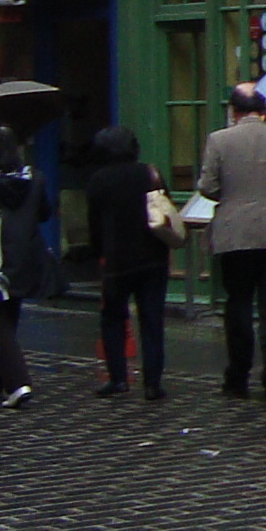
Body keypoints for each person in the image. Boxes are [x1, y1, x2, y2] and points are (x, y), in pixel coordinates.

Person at [198, 84, 266, 401]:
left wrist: (232, 197)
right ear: (264, 110)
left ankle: (238, 375)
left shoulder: (219, 140)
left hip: (235, 233)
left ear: (233, 110)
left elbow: (207, 186)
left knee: (238, 304)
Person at [0, 123, 57, 409]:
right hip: (23, 258)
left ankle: (18, 385)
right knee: (7, 319)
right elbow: (45, 213)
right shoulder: (35, 178)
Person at [84, 125, 172, 401]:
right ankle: (152, 383)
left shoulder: (99, 180)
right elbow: (165, 208)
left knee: (113, 318)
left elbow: (95, 224)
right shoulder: (149, 173)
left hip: (117, 259)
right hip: (153, 255)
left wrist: (98, 253)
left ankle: (118, 378)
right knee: (152, 319)